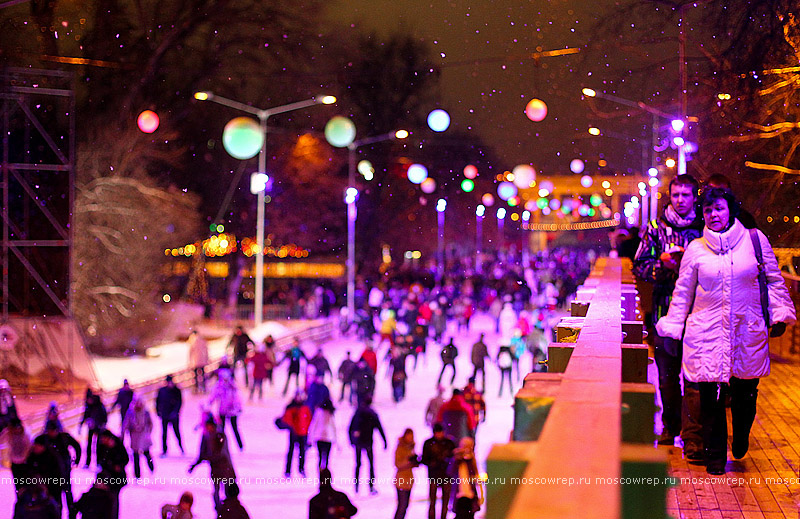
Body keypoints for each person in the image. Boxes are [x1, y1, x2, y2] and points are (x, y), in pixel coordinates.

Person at [655, 187, 796, 475]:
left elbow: (773, 279)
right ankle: (715, 457)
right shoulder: (695, 249)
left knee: (745, 393)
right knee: (710, 395)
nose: (713, 215)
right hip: (705, 330)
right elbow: (683, 292)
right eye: (707, 210)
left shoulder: (755, 241)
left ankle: (741, 434)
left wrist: (779, 313)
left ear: (730, 209)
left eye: (718, 208)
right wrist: (673, 328)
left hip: (747, 328)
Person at [633, 173, 704, 457]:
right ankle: (670, 426)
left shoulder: (704, 227)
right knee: (667, 376)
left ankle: (693, 435)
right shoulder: (656, 228)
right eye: (675, 195)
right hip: (664, 311)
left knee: (696, 377)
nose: (680, 200)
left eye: (686, 195)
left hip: (698, 312)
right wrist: (662, 265)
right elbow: (639, 264)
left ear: (694, 197)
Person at [188, 418, 236, 510]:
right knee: (216, 490)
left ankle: (228, 509)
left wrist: (208, 457)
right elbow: (202, 454)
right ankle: (219, 509)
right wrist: (194, 465)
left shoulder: (220, 435)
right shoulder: (206, 436)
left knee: (227, 489)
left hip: (224, 467)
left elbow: (222, 453)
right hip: (215, 468)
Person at [39, 421, 81, 515]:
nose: (52, 433)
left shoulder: (63, 437)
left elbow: (77, 446)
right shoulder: (45, 439)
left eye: (53, 431)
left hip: (64, 471)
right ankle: (58, 514)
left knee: (68, 494)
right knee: (57, 497)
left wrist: (76, 460)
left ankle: (71, 514)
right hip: (53, 473)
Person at [348, 397, 387, 495]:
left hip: (358, 442)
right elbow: (379, 427)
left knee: (358, 463)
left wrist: (351, 440)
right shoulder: (372, 413)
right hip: (368, 441)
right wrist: (384, 441)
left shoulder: (358, 413)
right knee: (371, 464)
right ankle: (371, 485)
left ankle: (356, 485)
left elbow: (350, 427)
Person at [421, 423, 456, 519]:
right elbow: (424, 459)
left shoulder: (449, 443)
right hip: (434, 475)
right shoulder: (429, 443)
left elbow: (453, 458)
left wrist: (446, 461)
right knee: (432, 502)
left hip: (446, 476)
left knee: (445, 502)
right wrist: (432, 463)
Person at [208, 370, 244, 450]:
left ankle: (240, 446)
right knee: (221, 429)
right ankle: (221, 445)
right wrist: (209, 403)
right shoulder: (219, 387)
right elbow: (213, 396)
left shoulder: (233, 387)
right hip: (223, 410)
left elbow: (238, 398)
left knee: (234, 428)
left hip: (232, 411)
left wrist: (238, 408)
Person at [96, 430, 128, 519]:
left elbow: (126, 458)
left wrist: (118, 466)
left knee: (113, 499)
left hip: (117, 478)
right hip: (106, 477)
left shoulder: (118, 445)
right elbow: (99, 460)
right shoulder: (101, 446)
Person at [448, 437, 484, 519]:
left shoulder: (471, 460)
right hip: (459, 494)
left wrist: (470, 458)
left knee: (470, 515)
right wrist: (456, 458)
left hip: (470, 494)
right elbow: (450, 472)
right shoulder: (455, 460)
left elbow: (474, 475)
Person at [123, 395, 155, 479]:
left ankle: (151, 468)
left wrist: (148, 432)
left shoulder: (145, 412)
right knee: (136, 457)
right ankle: (137, 475)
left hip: (144, 437)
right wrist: (124, 434)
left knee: (147, 454)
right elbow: (125, 425)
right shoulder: (130, 413)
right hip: (134, 437)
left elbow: (150, 423)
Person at [280, 394, 312, 477]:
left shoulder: (305, 407)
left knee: (302, 452)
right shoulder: (291, 407)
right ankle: (288, 471)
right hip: (294, 433)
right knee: (291, 452)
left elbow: (309, 420)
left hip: (303, 433)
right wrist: (291, 427)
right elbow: (287, 419)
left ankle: (301, 469)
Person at [393, 428, 419, 519]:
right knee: (402, 506)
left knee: (405, 506)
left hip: (409, 480)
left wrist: (415, 462)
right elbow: (397, 463)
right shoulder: (400, 447)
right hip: (401, 480)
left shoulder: (411, 447)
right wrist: (409, 461)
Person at [156, 375, 184, 457]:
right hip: (165, 415)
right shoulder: (162, 391)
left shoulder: (176, 390)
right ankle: (164, 450)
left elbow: (179, 402)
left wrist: (175, 412)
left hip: (174, 416)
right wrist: (158, 412)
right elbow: (157, 402)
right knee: (164, 434)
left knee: (177, 432)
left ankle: (181, 448)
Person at [79, 389, 107, 468]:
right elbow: (85, 415)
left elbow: (104, 415)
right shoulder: (88, 406)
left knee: (98, 445)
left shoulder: (99, 405)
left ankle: (99, 462)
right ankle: (88, 462)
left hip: (98, 428)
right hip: (91, 427)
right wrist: (81, 424)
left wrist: (101, 424)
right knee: (89, 445)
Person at [307, 398, 337, 472]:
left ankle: (321, 474)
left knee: (320, 457)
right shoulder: (330, 413)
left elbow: (313, 425)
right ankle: (324, 474)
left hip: (320, 437)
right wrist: (336, 439)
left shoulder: (319, 412)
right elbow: (334, 427)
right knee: (326, 458)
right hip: (328, 438)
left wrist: (310, 438)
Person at [2, 418, 30, 491]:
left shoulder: (26, 434)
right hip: (14, 462)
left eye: (18, 428)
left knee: (26, 483)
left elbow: (29, 447)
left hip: (25, 462)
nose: (16, 430)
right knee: (18, 483)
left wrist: (25, 458)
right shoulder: (8, 433)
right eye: (14, 428)